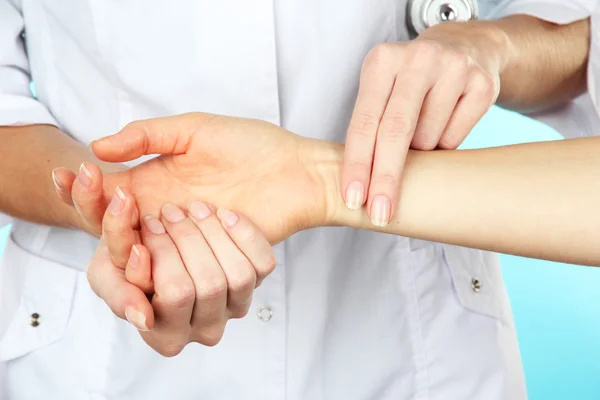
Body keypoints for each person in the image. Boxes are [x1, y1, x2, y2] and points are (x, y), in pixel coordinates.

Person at [0, 1, 597, 399]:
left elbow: (577, 28)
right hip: (97, 358)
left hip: (411, 341)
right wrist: (114, 200)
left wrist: (490, 42)